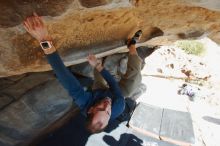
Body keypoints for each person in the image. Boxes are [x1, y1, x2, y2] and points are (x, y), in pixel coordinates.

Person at [23, 13, 144, 133]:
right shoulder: (118, 106)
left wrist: (43, 39)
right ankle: (132, 45)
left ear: (91, 110)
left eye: (101, 109)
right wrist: (98, 66)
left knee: (98, 77)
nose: (107, 106)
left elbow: (64, 76)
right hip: (118, 93)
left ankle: (101, 63)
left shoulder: (84, 101)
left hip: (98, 92)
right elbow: (113, 84)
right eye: (108, 112)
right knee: (134, 77)